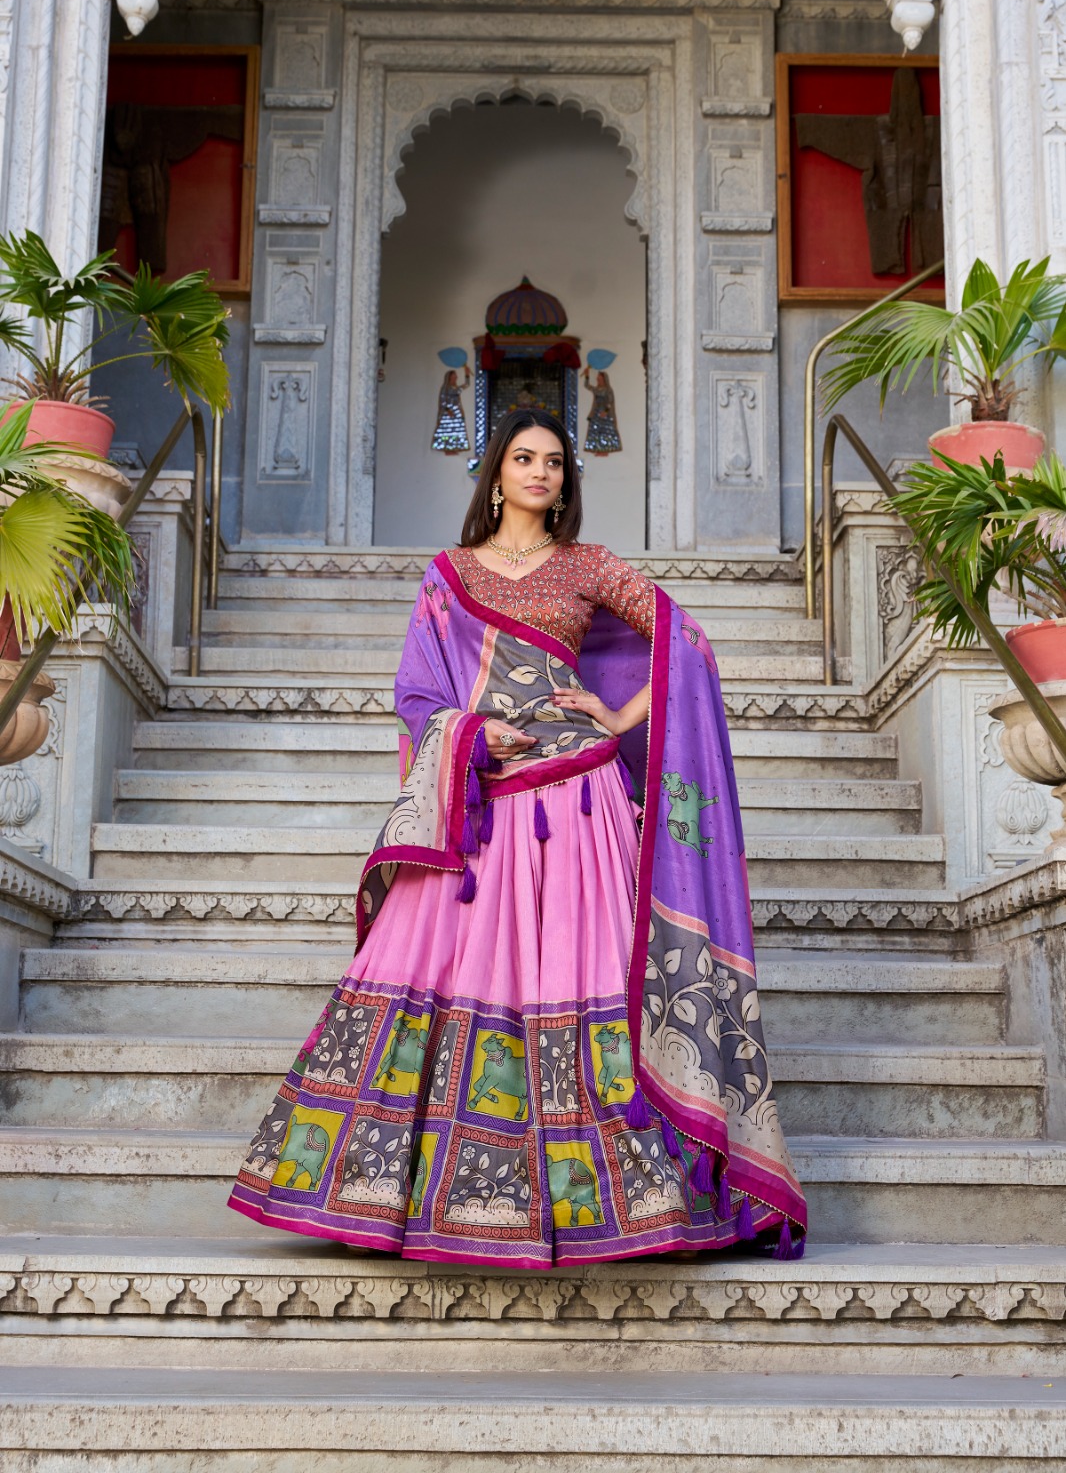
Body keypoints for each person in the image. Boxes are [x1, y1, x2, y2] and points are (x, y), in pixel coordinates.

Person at [229, 407, 806, 1266]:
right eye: (525, 458)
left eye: (555, 461)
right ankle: (394, 1194)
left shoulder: (587, 565)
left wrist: (619, 717)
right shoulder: (448, 574)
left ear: (566, 480)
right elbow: (417, 694)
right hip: (483, 799)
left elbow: (686, 641)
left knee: (585, 971)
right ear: (496, 472)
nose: (541, 472)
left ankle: (635, 1203)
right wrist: (471, 733)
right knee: (430, 968)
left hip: (579, 800)